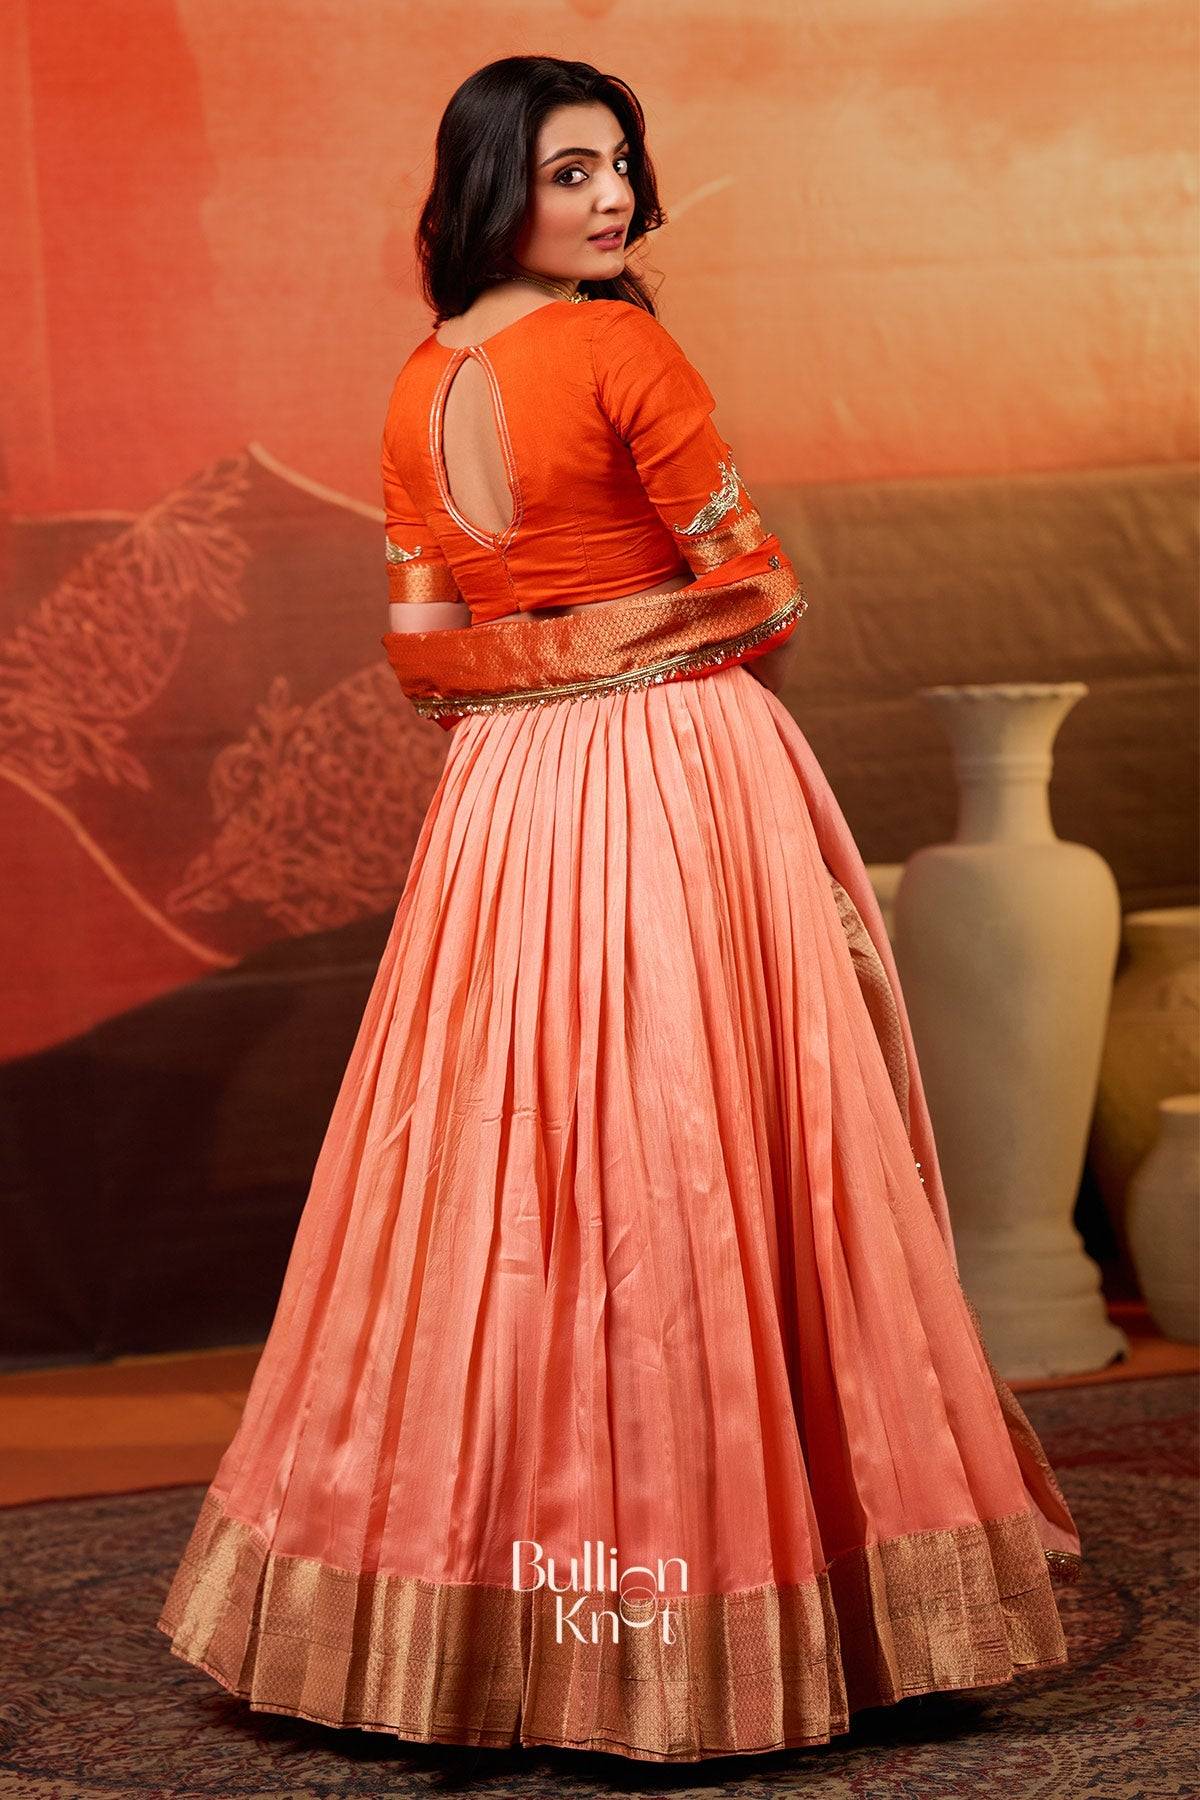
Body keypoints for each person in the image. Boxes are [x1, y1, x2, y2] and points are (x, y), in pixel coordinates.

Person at [157, 54, 1082, 1765]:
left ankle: (477, 1612)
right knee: (699, 1147)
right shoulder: (619, 347)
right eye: (574, 170)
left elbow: (425, 656)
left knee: (506, 1163)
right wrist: (614, 657)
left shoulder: (416, 381)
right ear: (493, 179)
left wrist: (530, 677)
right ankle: (738, 1595)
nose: (613, 202)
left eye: (623, 169)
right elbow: (757, 586)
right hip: (674, 769)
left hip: (503, 801)